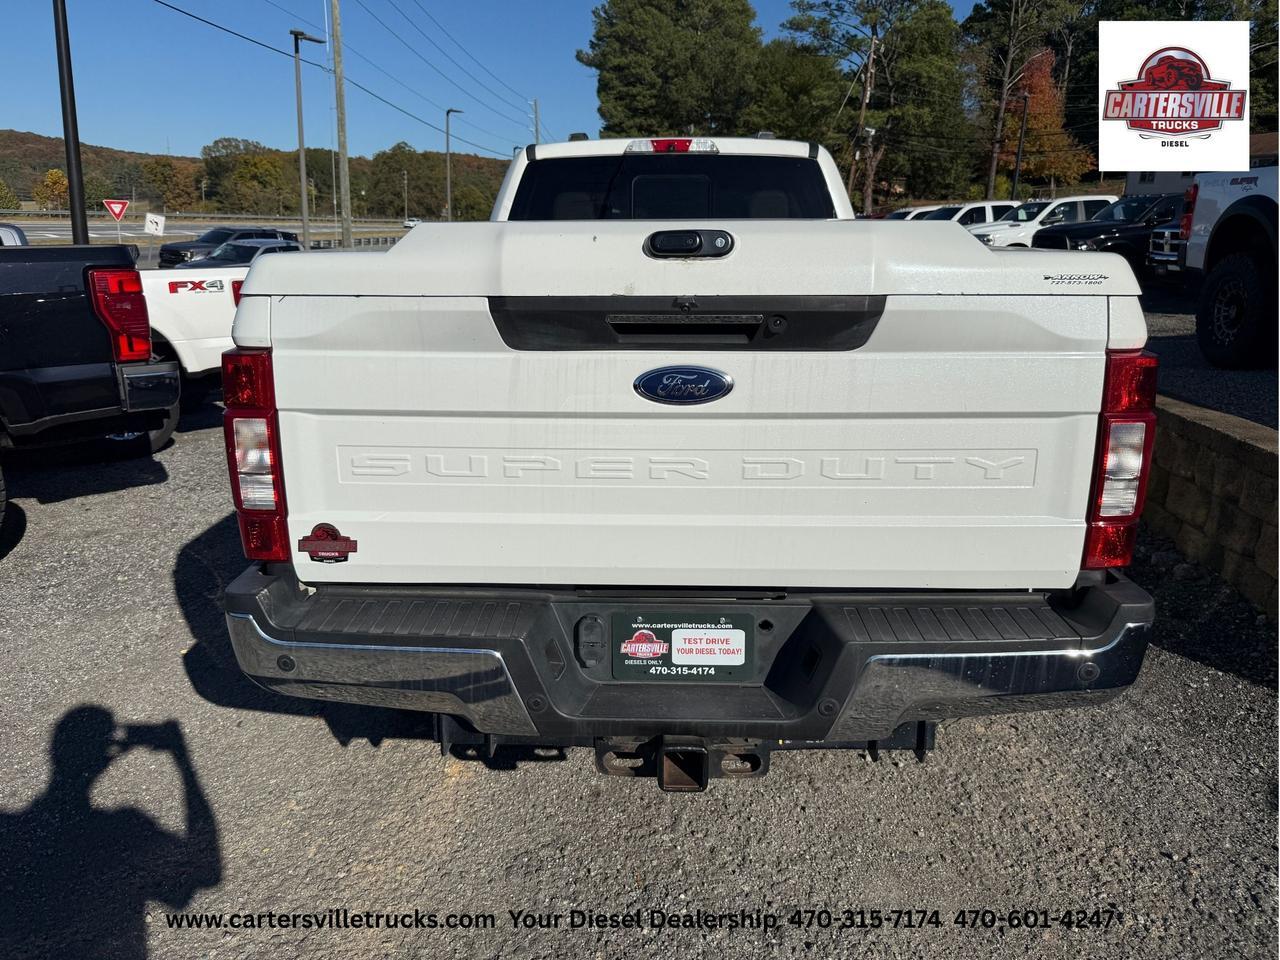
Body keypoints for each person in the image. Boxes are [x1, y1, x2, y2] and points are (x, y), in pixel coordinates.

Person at [0, 706, 221, 960]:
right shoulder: (123, 836)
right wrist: (182, 760)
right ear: (108, 758)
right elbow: (205, 869)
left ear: (53, 752)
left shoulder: (7, 834)